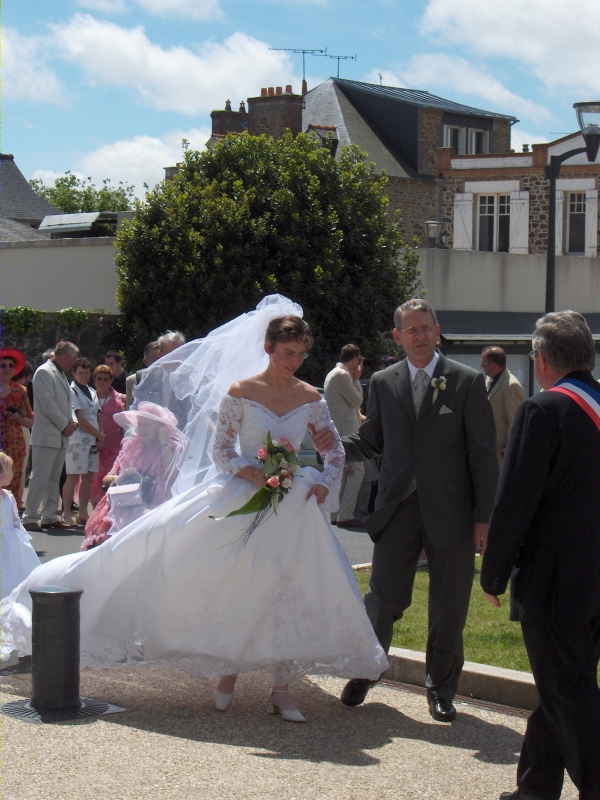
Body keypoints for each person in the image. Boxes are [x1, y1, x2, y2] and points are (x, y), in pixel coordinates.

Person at [1, 296, 387, 723]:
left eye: (301, 355)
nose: (294, 362)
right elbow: (222, 451)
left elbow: (333, 451)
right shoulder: (241, 393)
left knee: (287, 590)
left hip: (293, 505)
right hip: (242, 494)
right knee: (224, 581)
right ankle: (228, 669)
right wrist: (255, 473)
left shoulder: (310, 396)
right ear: (269, 350)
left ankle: (281, 688)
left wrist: (322, 483)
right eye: (287, 353)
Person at [336, 298, 498, 721]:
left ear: (437, 329)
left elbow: (483, 455)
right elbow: (372, 440)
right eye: (411, 330)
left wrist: (485, 517)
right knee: (383, 597)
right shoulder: (384, 381)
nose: (420, 336)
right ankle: (367, 670)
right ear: (398, 336)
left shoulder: (465, 381)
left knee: (449, 605)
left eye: (426, 328)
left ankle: (442, 688)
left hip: (452, 513)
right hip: (397, 509)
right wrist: (328, 450)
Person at [481, 311, 600, 800]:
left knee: (568, 692)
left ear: (543, 360)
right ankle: (535, 788)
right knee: (563, 682)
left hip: (555, 583)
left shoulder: (543, 410)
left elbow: (515, 502)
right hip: (594, 580)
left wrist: (492, 575)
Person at [81, 402, 182, 549]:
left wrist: (164, 442)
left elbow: (172, 475)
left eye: (147, 425)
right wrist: (122, 478)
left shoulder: (172, 448)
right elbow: (107, 478)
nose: (142, 429)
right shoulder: (131, 445)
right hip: (125, 501)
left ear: (160, 428)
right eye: (140, 425)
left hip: (155, 503)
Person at [21, 341, 79, 532]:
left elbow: (70, 402)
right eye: (74, 359)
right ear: (67, 357)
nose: (74, 364)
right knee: (40, 477)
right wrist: (65, 424)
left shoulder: (61, 374)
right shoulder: (44, 372)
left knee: (54, 478)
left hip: (61, 435)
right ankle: (30, 516)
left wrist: (73, 422)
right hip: (47, 435)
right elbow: (47, 404)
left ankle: (49, 515)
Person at [324, 344, 365, 528]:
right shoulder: (343, 375)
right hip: (347, 430)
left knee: (340, 472)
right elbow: (357, 400)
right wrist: (357, 380)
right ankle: (346, 514)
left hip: (340, 428)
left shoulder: (334, 373)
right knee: (358, 470)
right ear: (355, 359)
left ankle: (335, 514)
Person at [62, 358, 105, 527]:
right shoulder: (72, 391)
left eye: (87, 372)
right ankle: (66, 512)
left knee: (88, 477)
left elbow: (98, 414)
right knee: (73, 476)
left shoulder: (91, 390)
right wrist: (98, 435)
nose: (84, 376)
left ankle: (82, 512)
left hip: (93, 441)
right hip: (78, 440)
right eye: (80, 372)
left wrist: (100, 434)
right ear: (74, 373)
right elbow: (79, 418)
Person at [0, 452, 41, 599]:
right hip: (4, 538)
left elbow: (15, 519)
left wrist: (21, 534)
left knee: (13, 567)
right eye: (9, 470)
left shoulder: (8, 496)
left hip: (10, 539)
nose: (12, 473)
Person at [0, 349, 34, 510]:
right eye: (2, 365)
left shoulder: (21, 390)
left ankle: (11, 516)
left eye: (11, 366)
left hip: (14, 442)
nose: (7, 368)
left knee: (14, 479)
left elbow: (30, 421)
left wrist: (17, 417)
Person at [481, 346, 525, 468]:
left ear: (493, 365)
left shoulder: (511, 385)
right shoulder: (489, 379)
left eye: (483, 362)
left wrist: (511, 447)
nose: (481, 365)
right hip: (488, 449)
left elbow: (516, 420)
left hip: (501, 454)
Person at [90, 365, 126, 507]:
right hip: (94, 447)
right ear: (94, 380)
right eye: (99, 378)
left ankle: (110, 511)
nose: (102, 382)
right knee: (94, 481)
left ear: (111, 381)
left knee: (111, 481)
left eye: (106, 379)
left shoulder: (122, 400)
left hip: (114, 447)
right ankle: (95, 513)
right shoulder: (88, 398)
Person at [15, 361, 34, 503]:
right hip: (20, 429)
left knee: (20, 466)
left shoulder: (21, 390)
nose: (28, 379)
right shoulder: (21, 390)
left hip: (21, 428)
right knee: (19, 467)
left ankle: (18, 498)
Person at [125, 341, 161, 408]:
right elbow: (131, 409)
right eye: (157, 360)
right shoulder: (133, 380)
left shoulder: (173, 379)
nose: (161, 363)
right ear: (146, 361)